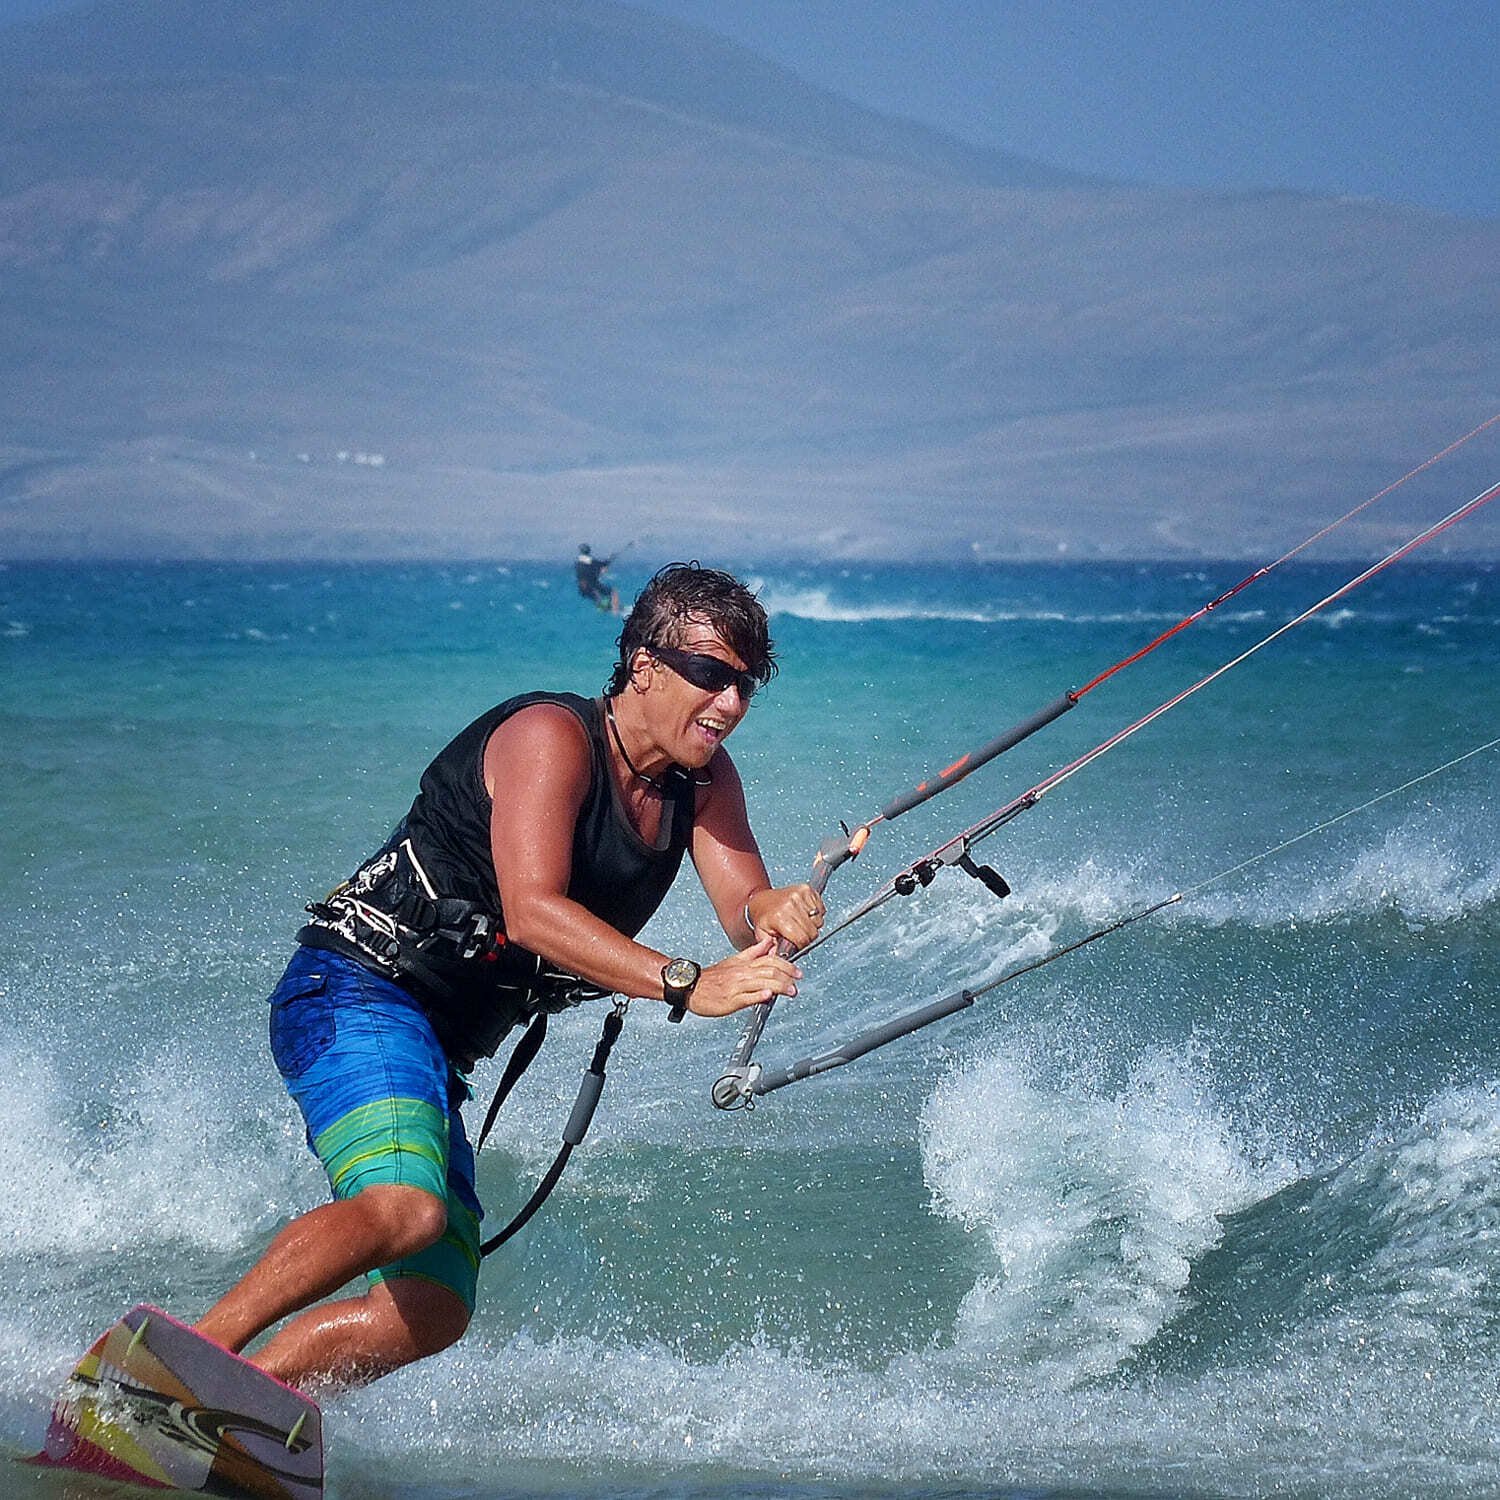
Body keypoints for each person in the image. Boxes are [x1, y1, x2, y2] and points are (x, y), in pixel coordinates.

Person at [194, 562, 824, 1392]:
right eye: (711, 675)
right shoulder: (549, 738)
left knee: (433, 1304)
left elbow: (742, 905)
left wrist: (773, 910)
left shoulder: (702, 782)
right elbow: (532, 913)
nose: (731, 703)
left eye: (746, 684)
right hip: (356, 988)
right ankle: (185, 1361)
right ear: (644, 665)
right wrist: (681, 982)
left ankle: (243, 1408)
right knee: (407, 1212)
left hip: (433, 1045)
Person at [574, 543, 620, 613]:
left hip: (581, 588)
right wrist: (611, 558)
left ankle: (603, 607)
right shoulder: (591, 561)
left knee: (597, 598)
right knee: (613, 592)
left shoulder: (577, 562)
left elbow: (585, 572)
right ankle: (615, 611)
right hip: (592, 585)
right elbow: (603, 564)